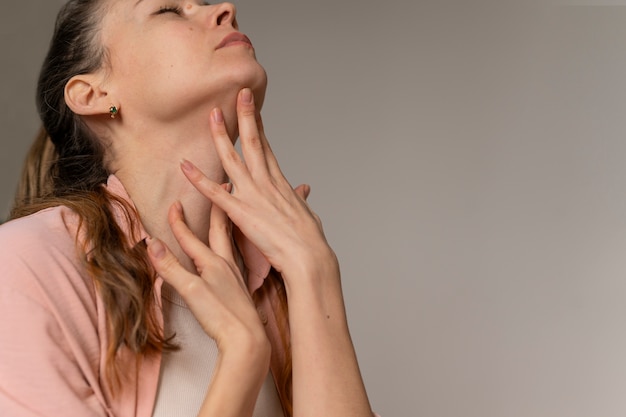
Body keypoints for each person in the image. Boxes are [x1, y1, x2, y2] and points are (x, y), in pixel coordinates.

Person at [0, 1, 378, 417]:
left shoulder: (276, 277)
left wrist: (314, 270)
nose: (226, 9)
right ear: (94, 94)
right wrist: (242, 354)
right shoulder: (25, 266)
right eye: (169, 10)